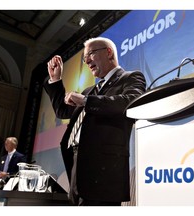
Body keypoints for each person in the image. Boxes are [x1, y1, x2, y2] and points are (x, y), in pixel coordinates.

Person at [44, 37, 146, 206]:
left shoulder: (130, 77)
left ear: (108, 52)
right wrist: (55, 80)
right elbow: (63, 111)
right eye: (84, 59)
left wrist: (86, 101)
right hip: (78, 166)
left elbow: (132, 101)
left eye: (90, 54)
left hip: (104, 172)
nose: (87, 61)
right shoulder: (89, 90)